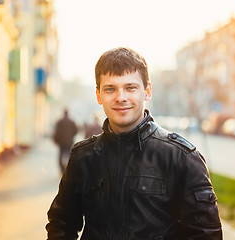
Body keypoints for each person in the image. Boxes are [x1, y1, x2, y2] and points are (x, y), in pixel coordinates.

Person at [46, 47, 222, 239]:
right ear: (98, 96)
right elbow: (61, 223)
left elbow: (206, 234)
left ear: (147, 91)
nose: (121, 97)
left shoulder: (182, 158)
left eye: (130, 87)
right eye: (110, 88)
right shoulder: (83, 156)